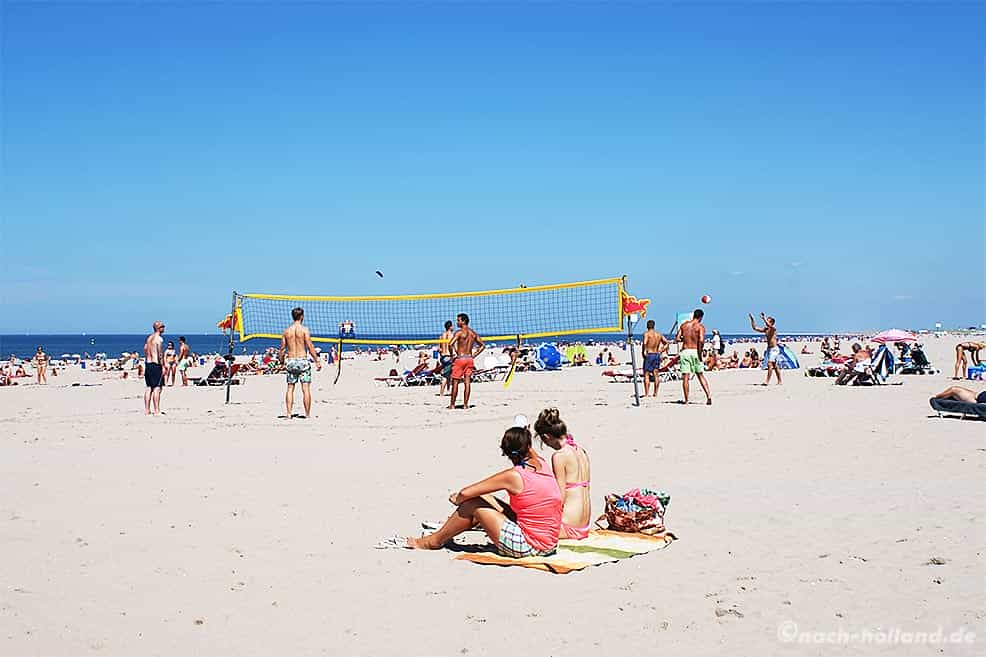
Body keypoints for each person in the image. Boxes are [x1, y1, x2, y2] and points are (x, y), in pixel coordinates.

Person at [406, 427, 562, 557]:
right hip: (550, 543)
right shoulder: (542, 463)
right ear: (529, 446)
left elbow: (466, 493)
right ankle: (452, 528)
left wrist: (458, 500)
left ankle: (433, 541)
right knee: (487, 498)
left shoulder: (514, 476)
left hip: (530, 546)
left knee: (472, 503)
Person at [534, 408, 591, 540]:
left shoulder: (559, 456)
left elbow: (560, 495)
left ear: (547, 437)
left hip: (569, 525)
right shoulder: (581, 451)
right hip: (584, 525)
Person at [279, 307, 322, 419]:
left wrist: (281, 360)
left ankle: (288, 414)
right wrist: (317, 360)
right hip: (302, 360)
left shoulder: (286, 331)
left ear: (292, 316)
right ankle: (307, 414)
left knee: (290, 388)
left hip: (291, 360)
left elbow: (283, 349)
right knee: (306, 389)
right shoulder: (304, 330)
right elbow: (310, 346)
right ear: (302, 316)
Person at [674, 309, 712, 405]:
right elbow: (702, 340)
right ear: (701, 317)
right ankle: (708, 396)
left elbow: (677, 338)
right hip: (695, 351)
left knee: (685, 377)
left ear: (693, 315)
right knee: (700, 375)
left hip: (685, 351)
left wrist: (685, 338)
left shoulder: (684, 325)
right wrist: (700, 350)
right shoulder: (700, 327)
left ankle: (686, 400)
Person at [447, 313, 484, 410]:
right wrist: (474, 356)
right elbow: (482, 346)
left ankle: (452, 405)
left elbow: (450, 344)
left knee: (455, 382)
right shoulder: (473, 333)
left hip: (460, 359)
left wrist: (452, 355)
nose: (457, 322)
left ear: (463, 321)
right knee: (467, 383)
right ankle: (466, 405)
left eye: (458, 320)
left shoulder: (459, 333)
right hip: (469, 359)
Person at [750, 312, 781, 386]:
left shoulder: (773, 329)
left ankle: (767, 381)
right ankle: (780, 381)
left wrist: (763, 318)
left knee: (769, 364)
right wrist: (752, 320)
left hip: (774, 349)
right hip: (769, 349)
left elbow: (769, 325)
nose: (766, 322)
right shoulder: (765, 329)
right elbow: (755, 328)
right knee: (775, 366)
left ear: (772, 323)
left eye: (768, 320)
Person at [641, 320, 669, 398]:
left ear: (647, 326)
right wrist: (661, 350)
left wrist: (643, 351)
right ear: (654, 326)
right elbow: (667, 343)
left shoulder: (646, 334)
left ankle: (647, 394)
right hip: (656, 354)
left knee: (646, 374)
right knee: (656, 374)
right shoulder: (658, 334)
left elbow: (645, 342)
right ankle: (655, 393)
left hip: (649, 354)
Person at [143, 321, 166, 415]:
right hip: (156, 364)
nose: (164, 328)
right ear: (159, 328)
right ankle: (157, 410)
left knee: (149, 387)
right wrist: (163, 365)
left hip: (148, 364)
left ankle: (147, 410)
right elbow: (160, 354)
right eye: (163, 326)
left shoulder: (149, 338)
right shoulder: (159, 339)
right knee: (157, 387)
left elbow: (145, 348)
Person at [437, 320, 454, 397]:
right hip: (448, 357)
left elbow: (439, 349)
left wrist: (441, 355)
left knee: (448, 375)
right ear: (450, 327)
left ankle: (448, 390)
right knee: (445, 376)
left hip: (443, 357)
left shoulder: (441, 336)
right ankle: (441, 393)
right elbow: (453, 347)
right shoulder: (452, 335)